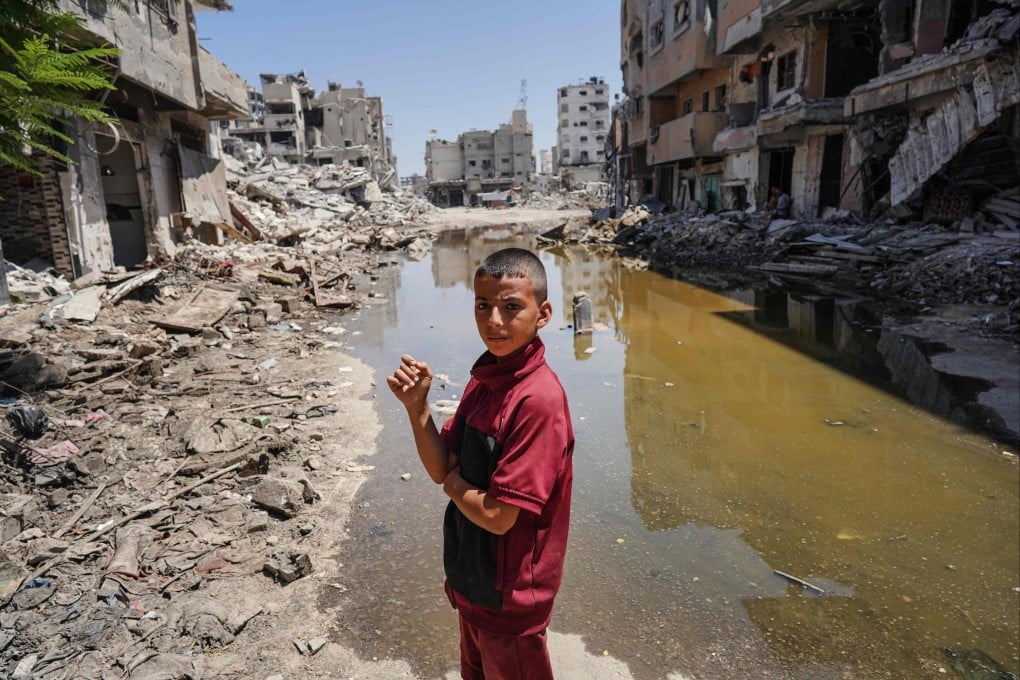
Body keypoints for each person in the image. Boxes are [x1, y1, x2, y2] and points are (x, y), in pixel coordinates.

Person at [387, 247, 574, 680]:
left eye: (512, 308)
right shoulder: (486, 378)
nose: (494, 322)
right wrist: (418, 410)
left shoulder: (537, 401)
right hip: (471, 584)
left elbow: (498, 515)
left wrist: (453, 484)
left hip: (509, 601)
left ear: (543, 314)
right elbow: (440, 467)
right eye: (483, 306)